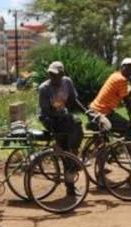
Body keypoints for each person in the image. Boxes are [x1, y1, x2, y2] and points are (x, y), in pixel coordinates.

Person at [38, 61, 85, 196]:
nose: (53, 77)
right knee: (64, 150)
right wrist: (62, 115)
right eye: (50, 74)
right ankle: (70, 184)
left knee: (77, 124)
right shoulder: (44, 88)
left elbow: (74, 100)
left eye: (56, 75)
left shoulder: (67, 82)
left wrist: (86, 111)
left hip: (63, 116)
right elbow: (46, 111)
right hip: (50, 119)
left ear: (62, 74)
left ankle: (74, 155)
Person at [89, 57, 131, 142]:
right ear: (122, 67)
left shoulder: (115, 75)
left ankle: (125, 150)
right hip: (102, 113)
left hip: (96, 111)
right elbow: (127, 102)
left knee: (118, 130)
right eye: (129, 68)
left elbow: (125, 97)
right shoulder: (121, 79)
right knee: (129, 127)